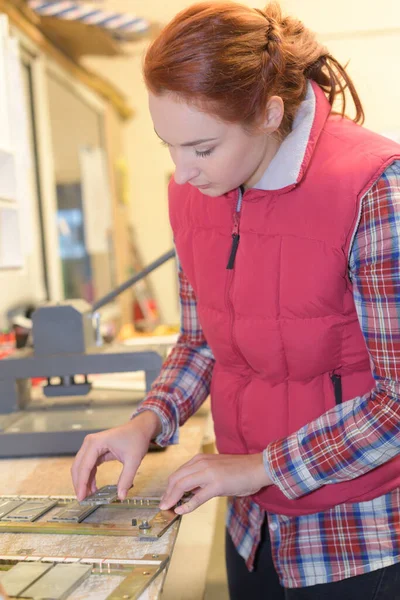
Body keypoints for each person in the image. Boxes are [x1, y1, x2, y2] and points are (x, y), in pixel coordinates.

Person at [71, 2, 400, 598]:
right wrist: (149, 419)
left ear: (270, 113)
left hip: (360, 539)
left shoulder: (375, 187)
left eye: (201, 147)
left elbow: (398, 401)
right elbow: (202, 341)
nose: (182, 173)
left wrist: (257, 466)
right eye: (168, 146)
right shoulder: (198, 193)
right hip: (251, 527)